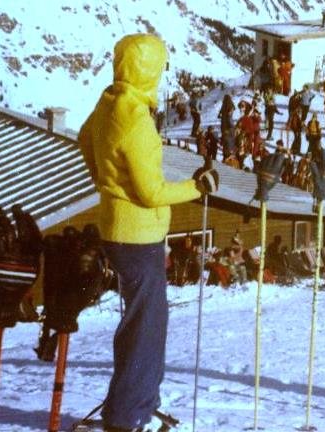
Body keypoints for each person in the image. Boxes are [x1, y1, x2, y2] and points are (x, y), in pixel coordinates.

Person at [78, 34, 219, 432]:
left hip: (115, 226)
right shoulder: (137, 120)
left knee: (137, 323)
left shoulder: (110, 102)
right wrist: (198, 187)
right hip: (139, 235)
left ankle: (132, 406)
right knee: (147, 328)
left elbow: (84, 138)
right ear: (150, 69)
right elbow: (151, 193)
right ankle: (130, 416)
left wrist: (107, 182)